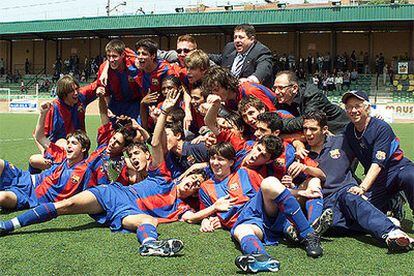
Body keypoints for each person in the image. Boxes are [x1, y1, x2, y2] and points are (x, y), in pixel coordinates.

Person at [198, 142, 323, 273]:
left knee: (269, 182)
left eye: (220, 159)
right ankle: (261, 258)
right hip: (244, 221)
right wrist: (208, 216)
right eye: (212, 158)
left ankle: (308, 235)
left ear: (230, 162)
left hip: (259, 209)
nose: (215, 163)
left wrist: (300, 193)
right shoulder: (205, 187)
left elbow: (270, 191)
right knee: (240, 230)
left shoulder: (245, 173)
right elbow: (204, 213)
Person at [302, 110, 413, 252]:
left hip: (347, 192)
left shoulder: (341, 141)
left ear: (324, 130)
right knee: (332, 225)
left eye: (313, 129)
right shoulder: (301, 153)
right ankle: (385, 217)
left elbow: (365, 135)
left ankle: (392, 233)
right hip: (326, 201)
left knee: (350, 198)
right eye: (305, 129)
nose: (308, 133)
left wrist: (373, 121)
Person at [0, 102, 96, 211]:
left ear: (83, 148)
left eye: (74, 143)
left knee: (3, 197)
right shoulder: (62, 155)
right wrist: (43, 113)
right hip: (24, 178)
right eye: (68, 142)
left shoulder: (84, 169)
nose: (68, 146)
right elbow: (39, 137)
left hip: (31, 196)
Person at [341, 90, 414, 216]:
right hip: (379, 178)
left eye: (357, 106)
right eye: (349, 107)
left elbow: (377, 163)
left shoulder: (381, 127)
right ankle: (393, 202)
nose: (353, 111)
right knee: (362, 211)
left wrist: (362, 188)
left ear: (367, 108)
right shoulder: (349, 130)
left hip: (397, 168)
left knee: (410, 176)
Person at [273, 70, 349, 134]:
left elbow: (308, 121)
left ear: (294, 88)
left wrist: (277, 124)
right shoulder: (280, 99)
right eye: (275, 88)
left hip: (339, 129)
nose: (276, 92)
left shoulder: (312, 94)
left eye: (280, 88)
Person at [209, 24, 273, 88]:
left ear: (251, 39)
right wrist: (202, 54)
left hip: (249, 93)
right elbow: (220, 59)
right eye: (235, 37)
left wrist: (251, 79)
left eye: (241, 37)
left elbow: (264, 68)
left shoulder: (261, 51)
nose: (237, 40)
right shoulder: (230, 48)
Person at [96, 39, 142, 120]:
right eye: (108, 56)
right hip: (116, 103)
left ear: (123, 55)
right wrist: (109, 108)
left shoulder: (134, 63)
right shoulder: (103, 69)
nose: (111, 60)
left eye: (114, 56)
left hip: (135, 103)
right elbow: (106, 94)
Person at [43, 75, 97, 142]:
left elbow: (99, 83)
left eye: (77, 89)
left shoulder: (81, 96)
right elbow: (40, 135)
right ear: (63, 93)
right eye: (71, 91)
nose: (76, 93)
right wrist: (45, 151)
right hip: (59, 149)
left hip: (79, 148)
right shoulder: (53, 108)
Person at [202, 66, 277, 112]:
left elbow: (273, 113)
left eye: (216, 90)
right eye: (212, 91)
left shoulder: (250, 91)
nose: (215, 94)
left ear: (227, 85)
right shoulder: (228, 100)